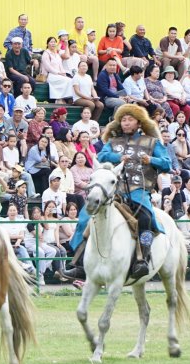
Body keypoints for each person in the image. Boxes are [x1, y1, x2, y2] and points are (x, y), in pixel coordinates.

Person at [65, 105, 172, 280]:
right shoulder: (113, 143)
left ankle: (142, 260)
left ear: (138, 123)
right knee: (86, 215)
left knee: (146, 218)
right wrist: (117, 158)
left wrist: (151, 159)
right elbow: (100, 157)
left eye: (130, 119)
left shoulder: (152, 142)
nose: (126, 123)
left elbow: (167, 164)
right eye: (123, 120)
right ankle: (78, 264)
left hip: (139, 190)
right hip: (113, 190)